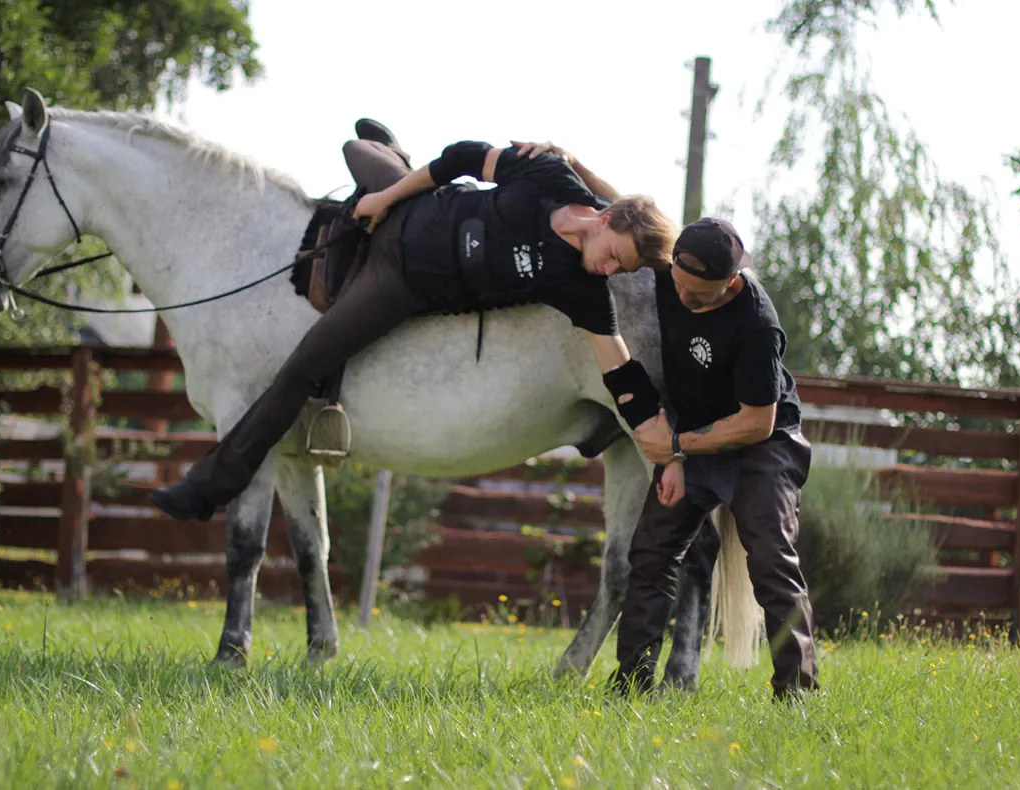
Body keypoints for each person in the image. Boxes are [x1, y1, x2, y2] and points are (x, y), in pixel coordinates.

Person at [149, 121, 677, 521]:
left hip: (403, 282)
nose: (610, 270)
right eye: (616, 255)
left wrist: (658, 434)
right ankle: (391, 161)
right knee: (357, 147)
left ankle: (207, 489)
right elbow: (465, 157)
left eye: (621, 269)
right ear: (606, 217)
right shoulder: (549, 176)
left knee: (303, 366)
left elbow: (620, 367)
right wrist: (385, 197)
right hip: (414, 211)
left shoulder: (579, 286)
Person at [609, 217, 819, 699]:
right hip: (697, 435)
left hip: (762, 446)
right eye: (678, 289)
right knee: (651, 550)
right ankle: (630, 686)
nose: (684, 301)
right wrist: (572, 161)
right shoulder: (671, 274)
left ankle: (798, 694)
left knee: (770, 559)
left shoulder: (756, 325)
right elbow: (630, 217)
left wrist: (678, 447)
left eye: (698, 296)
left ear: (731, 281)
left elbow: (756, 423)